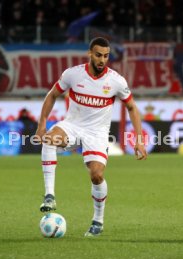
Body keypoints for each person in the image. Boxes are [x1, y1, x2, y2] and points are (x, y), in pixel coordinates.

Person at [35, 37, 147, 237]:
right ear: (90, 54)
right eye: (98, 55)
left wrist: (138, 139)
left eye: (106, 56)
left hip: (97, 133)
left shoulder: (116, 81)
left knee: (97, 175)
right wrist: (42, 124)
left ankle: (98, 221)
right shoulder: (73, 74)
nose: (102, 60)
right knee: (48, 139)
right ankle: (49, 195)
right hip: (72, 125)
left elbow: (132, 107)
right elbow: (52, 94)